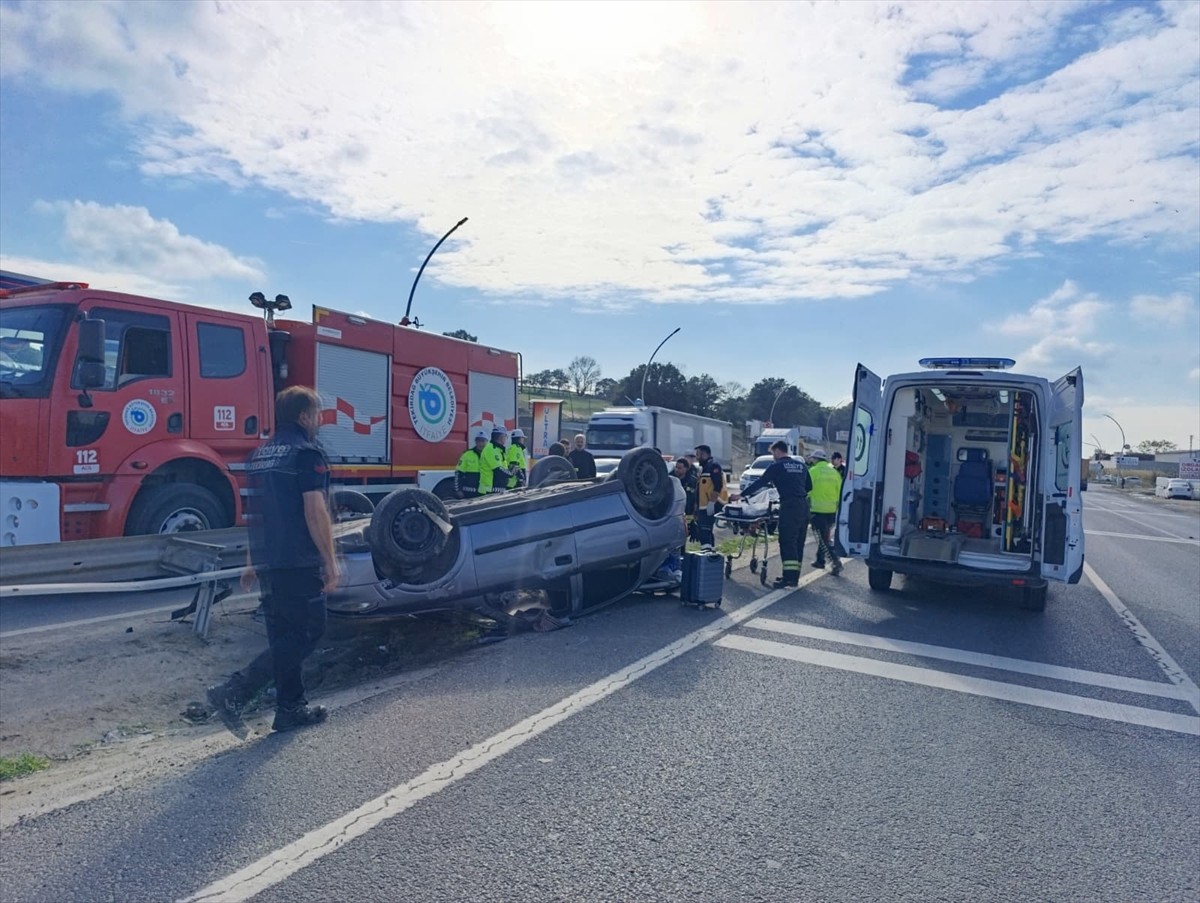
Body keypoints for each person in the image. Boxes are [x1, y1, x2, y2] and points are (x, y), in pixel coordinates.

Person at [207, 386, 339, 732]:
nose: (320, 419)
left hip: (270, 560)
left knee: (284, 635)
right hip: (298, 558)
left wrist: (253, 559)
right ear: (304, 416)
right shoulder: (307, 453)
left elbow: (259, 512)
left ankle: (290, 708)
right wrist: (331, 561)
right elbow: (315, 510)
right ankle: (234, 691)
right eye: (317, 413)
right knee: (309, 630)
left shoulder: (261, 454)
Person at [741, 439, 811, 588]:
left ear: (778, 451)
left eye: (773, 453)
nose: (773, 456)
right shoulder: (801, 465)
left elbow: (760, 482)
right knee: (798, 541)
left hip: (790, 506)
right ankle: (794, 577)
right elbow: (809, 486)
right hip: (803, 506)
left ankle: (789, 579)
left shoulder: (777, 466)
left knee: (787, 540)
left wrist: (742, 495)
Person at [807, 448, 843, 574]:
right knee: (824, 536)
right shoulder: (834, 473)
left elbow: (807, 490)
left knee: (822, 539)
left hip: (818, 510)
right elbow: (840, 492)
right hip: (832, 510)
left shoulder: (813, 471)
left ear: (816, 459)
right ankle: (820, 560)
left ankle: (835, 561)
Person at [693, 444, 728, 548]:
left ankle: (707, 554)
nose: (697, 457)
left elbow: (718, 485)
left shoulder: (713, 466)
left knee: (704, 532)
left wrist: (712, 502)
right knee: (705, 531)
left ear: (704, 454)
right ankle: (709, 555)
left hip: (711, 504)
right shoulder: (704, 468)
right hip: (704, 505)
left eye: (698, 454)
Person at [455, 430, 489, 498]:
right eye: (478, 441)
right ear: (475, 442)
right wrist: (458, 490)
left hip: (485, 492)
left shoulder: (490, 455)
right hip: (469, 493)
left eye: (483, 441)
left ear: (487, 442)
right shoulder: (467, 454)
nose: (480, 444)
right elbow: (458, 473)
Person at [480, 426, 509, 494]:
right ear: (501, 437)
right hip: (489, 490)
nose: (505, 439)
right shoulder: (491, 449)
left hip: (497, 489)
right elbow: (498, 469)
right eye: (505, 437)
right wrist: (510, 473)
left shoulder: (498, 450)